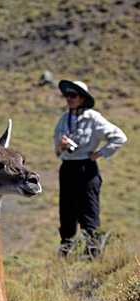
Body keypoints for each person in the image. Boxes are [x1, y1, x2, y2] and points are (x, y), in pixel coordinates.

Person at [53, 80, 127, 257]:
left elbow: (119, 137)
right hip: (67, 168)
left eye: (73, 95)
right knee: (66, 213)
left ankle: (92, 256)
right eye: (67, 95)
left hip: (86, 169)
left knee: (89, 213)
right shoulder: (63, 119)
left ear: (82, 99)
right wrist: (62, 146)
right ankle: (65, 255)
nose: (69, 99)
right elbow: (57, 150)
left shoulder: (93, 118)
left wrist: (100, 153)